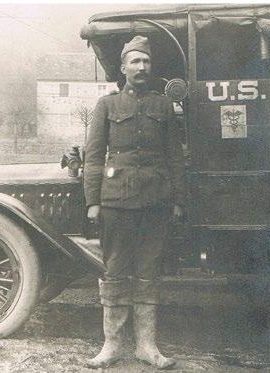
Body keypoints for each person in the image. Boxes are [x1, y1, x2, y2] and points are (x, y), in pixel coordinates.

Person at [83, 35, 185, 369]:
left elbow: (175, 158)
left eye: (146, 62)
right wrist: (92, 201)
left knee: (148, 273)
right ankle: (111, 346)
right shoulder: (107, 106)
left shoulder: (163, 105)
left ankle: (146, 346)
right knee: (114, 272)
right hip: (115, 202)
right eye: (135, 61)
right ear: (124, 67)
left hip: (155, 201)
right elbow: (94, 157)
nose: (142, 67)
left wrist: (178, 200)